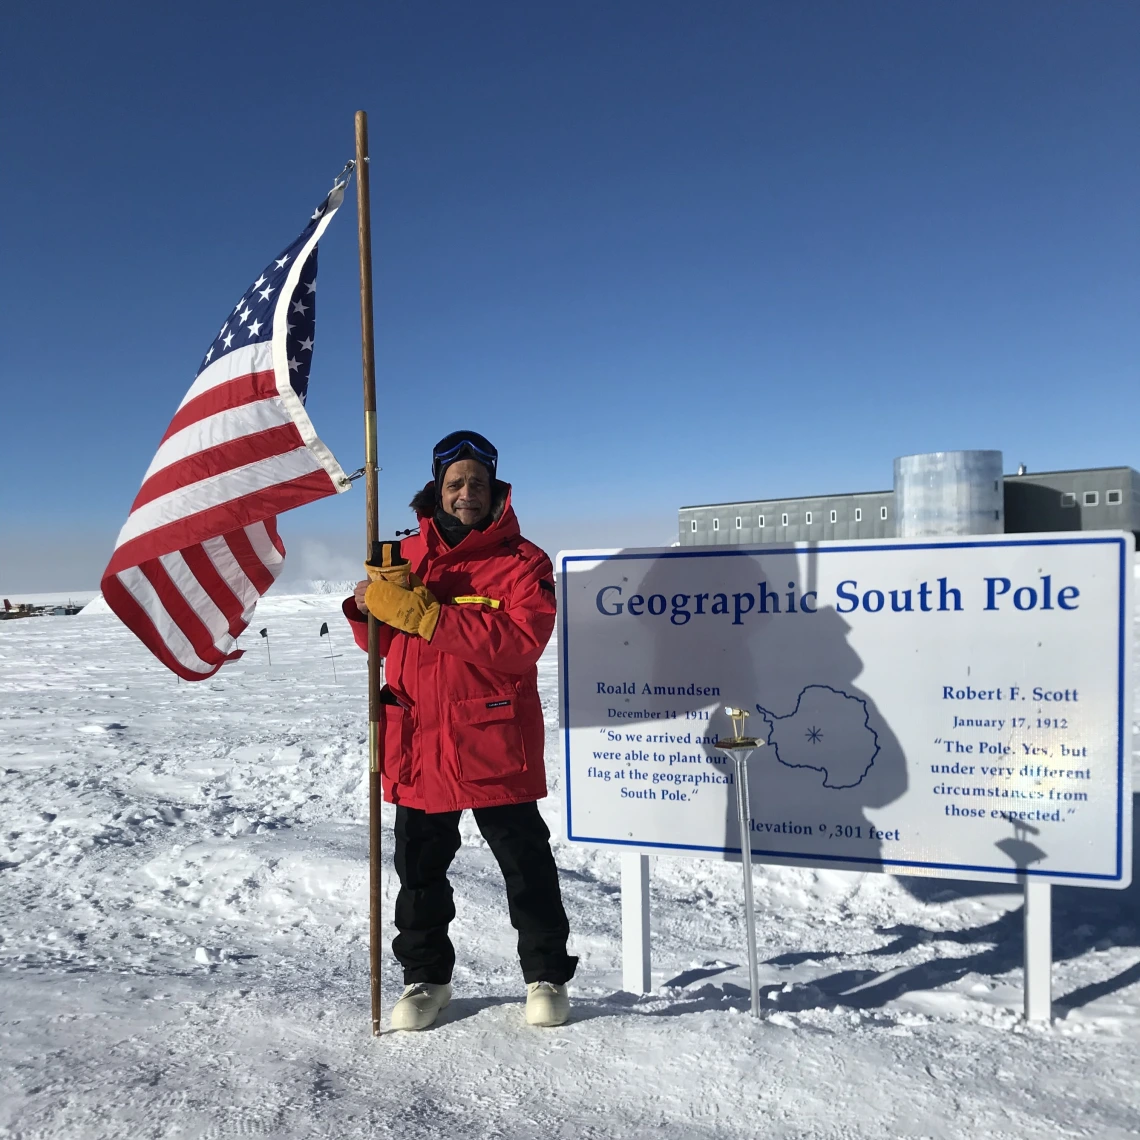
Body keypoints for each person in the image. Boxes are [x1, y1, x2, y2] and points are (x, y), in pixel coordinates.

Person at [344, 430, 577, 1031]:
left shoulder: (525, 562)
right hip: (418, 740)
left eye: (477, 482)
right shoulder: (404, 556)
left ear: (494, 487)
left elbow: (519, 644)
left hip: (494, 740)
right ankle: (426, 979)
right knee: (418, 871)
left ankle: (546, 975)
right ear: (436, 489)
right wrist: (368, 610)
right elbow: (383, 646)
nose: (466, 492)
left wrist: (422, 614)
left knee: (526, 864)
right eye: (455, 482)